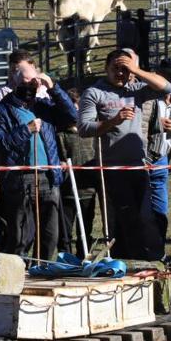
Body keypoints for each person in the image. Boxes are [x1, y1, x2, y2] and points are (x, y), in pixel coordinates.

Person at [77, 48, 171, 260]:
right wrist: (113, 121)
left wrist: (136, 70)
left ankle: (152, 258)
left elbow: (167, 87)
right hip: (112, 167)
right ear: (106, 68)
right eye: (116, 68)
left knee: (146, 216)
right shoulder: (95, 93)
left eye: (124, 69)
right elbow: (84, 128)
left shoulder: (136, 89)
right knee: (124, 216)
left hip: (138, 164)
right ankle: (130, 259)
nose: (121, 73)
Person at [0, 61, 76, 262]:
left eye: (33, 83)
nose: (29, 88)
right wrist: (25, 130)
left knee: (50, 233)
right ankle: (18, 271)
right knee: (21, 235)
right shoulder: (2, 110)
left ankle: (42, 269)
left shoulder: (43, 107)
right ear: (13, 81)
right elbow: (0, 143)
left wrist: (54, 89)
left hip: (48, 175)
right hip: (20, 179)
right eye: (25, 82)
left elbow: (72, 116)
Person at [144, 58, 171, 254]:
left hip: (162, 156)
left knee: (161, 210)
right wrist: (155, 124)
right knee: (142, 212)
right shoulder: (146, 92)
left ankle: (158, 252)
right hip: (142, 158)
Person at [56, 87, 97, 255]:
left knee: (85, 229)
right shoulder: (61, 134)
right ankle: (65, 258)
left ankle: (84, 256)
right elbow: (58, 157)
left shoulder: (92, 132)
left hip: (88, 189)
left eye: (76, 106)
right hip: (67, 190)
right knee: (65, 231)